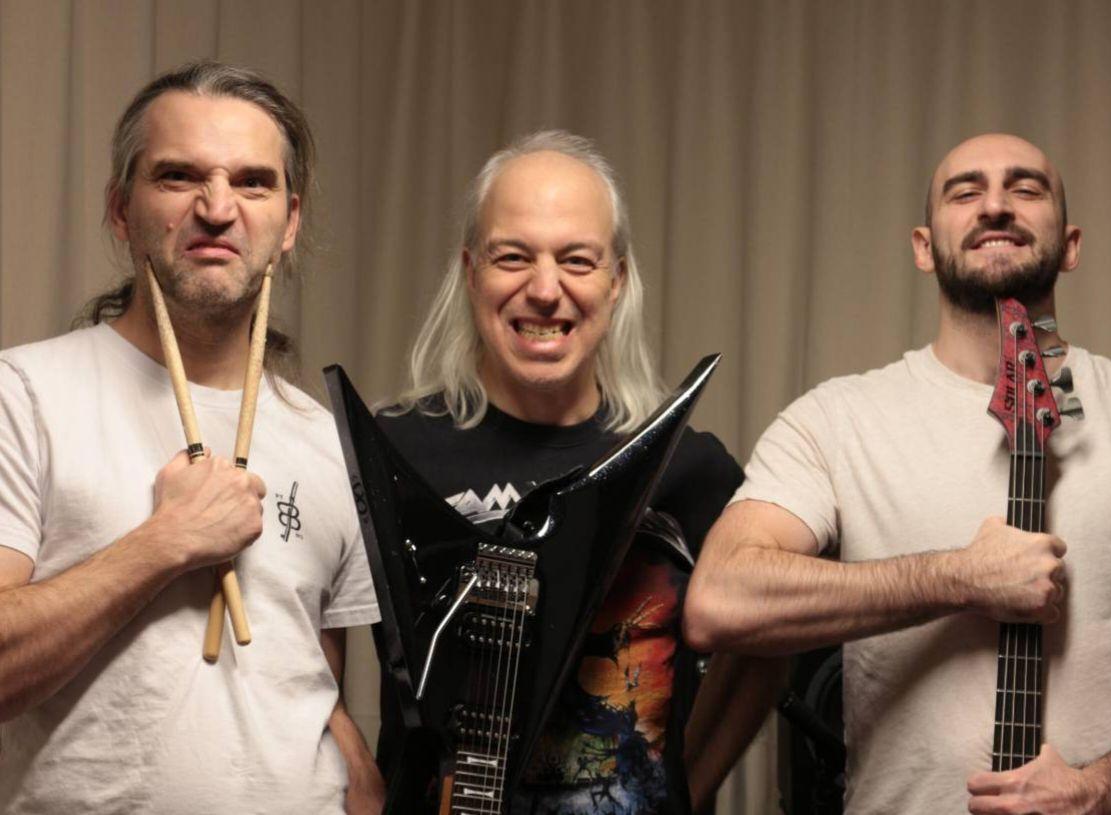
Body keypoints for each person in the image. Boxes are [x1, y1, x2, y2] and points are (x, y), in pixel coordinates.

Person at [685, 133, 1111, 815]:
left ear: (1070, 245)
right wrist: (956, 577)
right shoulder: (838, 420)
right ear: (923, 247)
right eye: (965, 191)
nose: (995, 206)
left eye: (1025, 188)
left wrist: (1106, 787)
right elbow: (719, 600)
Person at [0, 61, 384, 813]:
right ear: (121, 209)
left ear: (290, 222)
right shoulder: (24, 393)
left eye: (252, 182)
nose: (217, 207)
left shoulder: (328, 440)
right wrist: (164, 542)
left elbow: (302, 670)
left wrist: (351, 753)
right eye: (178, 177)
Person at [376, 130, 780, 815]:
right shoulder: (389, 449)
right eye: (512, 257)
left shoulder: (689, 467)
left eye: (576, 260)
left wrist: (690, 784)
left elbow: (771, 644)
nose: (544, 289)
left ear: (616, 280)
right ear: (471, 270)